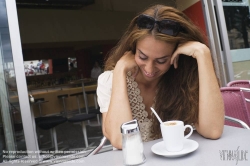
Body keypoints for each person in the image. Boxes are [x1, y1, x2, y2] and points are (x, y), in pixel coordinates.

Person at [97, 4, 224, 149]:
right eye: (142, 56)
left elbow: (213, 130)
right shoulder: (109, 80)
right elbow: (120, 141)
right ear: (132, 48)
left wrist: (202, 53)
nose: (150, 69)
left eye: (162, 60)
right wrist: (120, 69)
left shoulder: (184, 79)